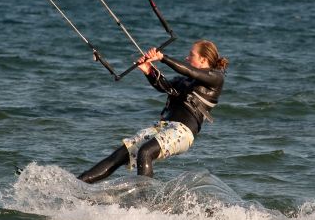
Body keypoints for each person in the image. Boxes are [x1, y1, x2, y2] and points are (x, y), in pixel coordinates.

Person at [78, 39, 228, 183]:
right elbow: (165, 86)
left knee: (145, 152)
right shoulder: (186, 81)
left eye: (191, 55)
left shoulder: (216, 78)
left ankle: (144, 201)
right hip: (163, 127)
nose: (187, 58)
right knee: (121, 154)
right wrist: (149, 71)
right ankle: (79, 183)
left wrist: (162, 58)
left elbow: (190, 71)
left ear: (203, 60)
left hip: (183, 131)